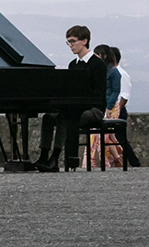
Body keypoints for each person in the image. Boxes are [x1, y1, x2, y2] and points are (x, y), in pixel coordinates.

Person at [34, 25, 106, 172]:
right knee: (49, 117)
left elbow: (98, 94)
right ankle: (44, 155)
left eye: (73, 41)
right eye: (68, 42)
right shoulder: (73, 65)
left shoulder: (98, 64)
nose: (70, 45)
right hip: (75, 107)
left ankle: (56, 157)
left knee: (66, 118)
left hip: (94, 109)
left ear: (84, 41)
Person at [110, 47, 141, 167]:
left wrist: (116, 112)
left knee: (120, 139)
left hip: (118, 111)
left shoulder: (122, 74)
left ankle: (134, 162)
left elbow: (124, 96)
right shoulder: (111, 73)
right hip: (113, 110)